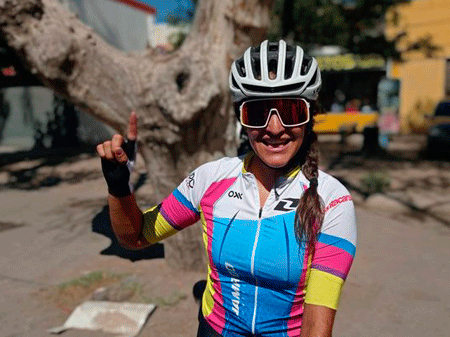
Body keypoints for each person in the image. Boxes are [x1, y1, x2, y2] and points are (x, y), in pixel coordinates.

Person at [97, 40, 357, 337]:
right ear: (241, 120)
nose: (274, 128)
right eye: (258, 113)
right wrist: (119, 186)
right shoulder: (211, 179)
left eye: (290, 110)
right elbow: (136, 236)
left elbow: (317, 326)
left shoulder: (333, 201)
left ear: (309, 115)